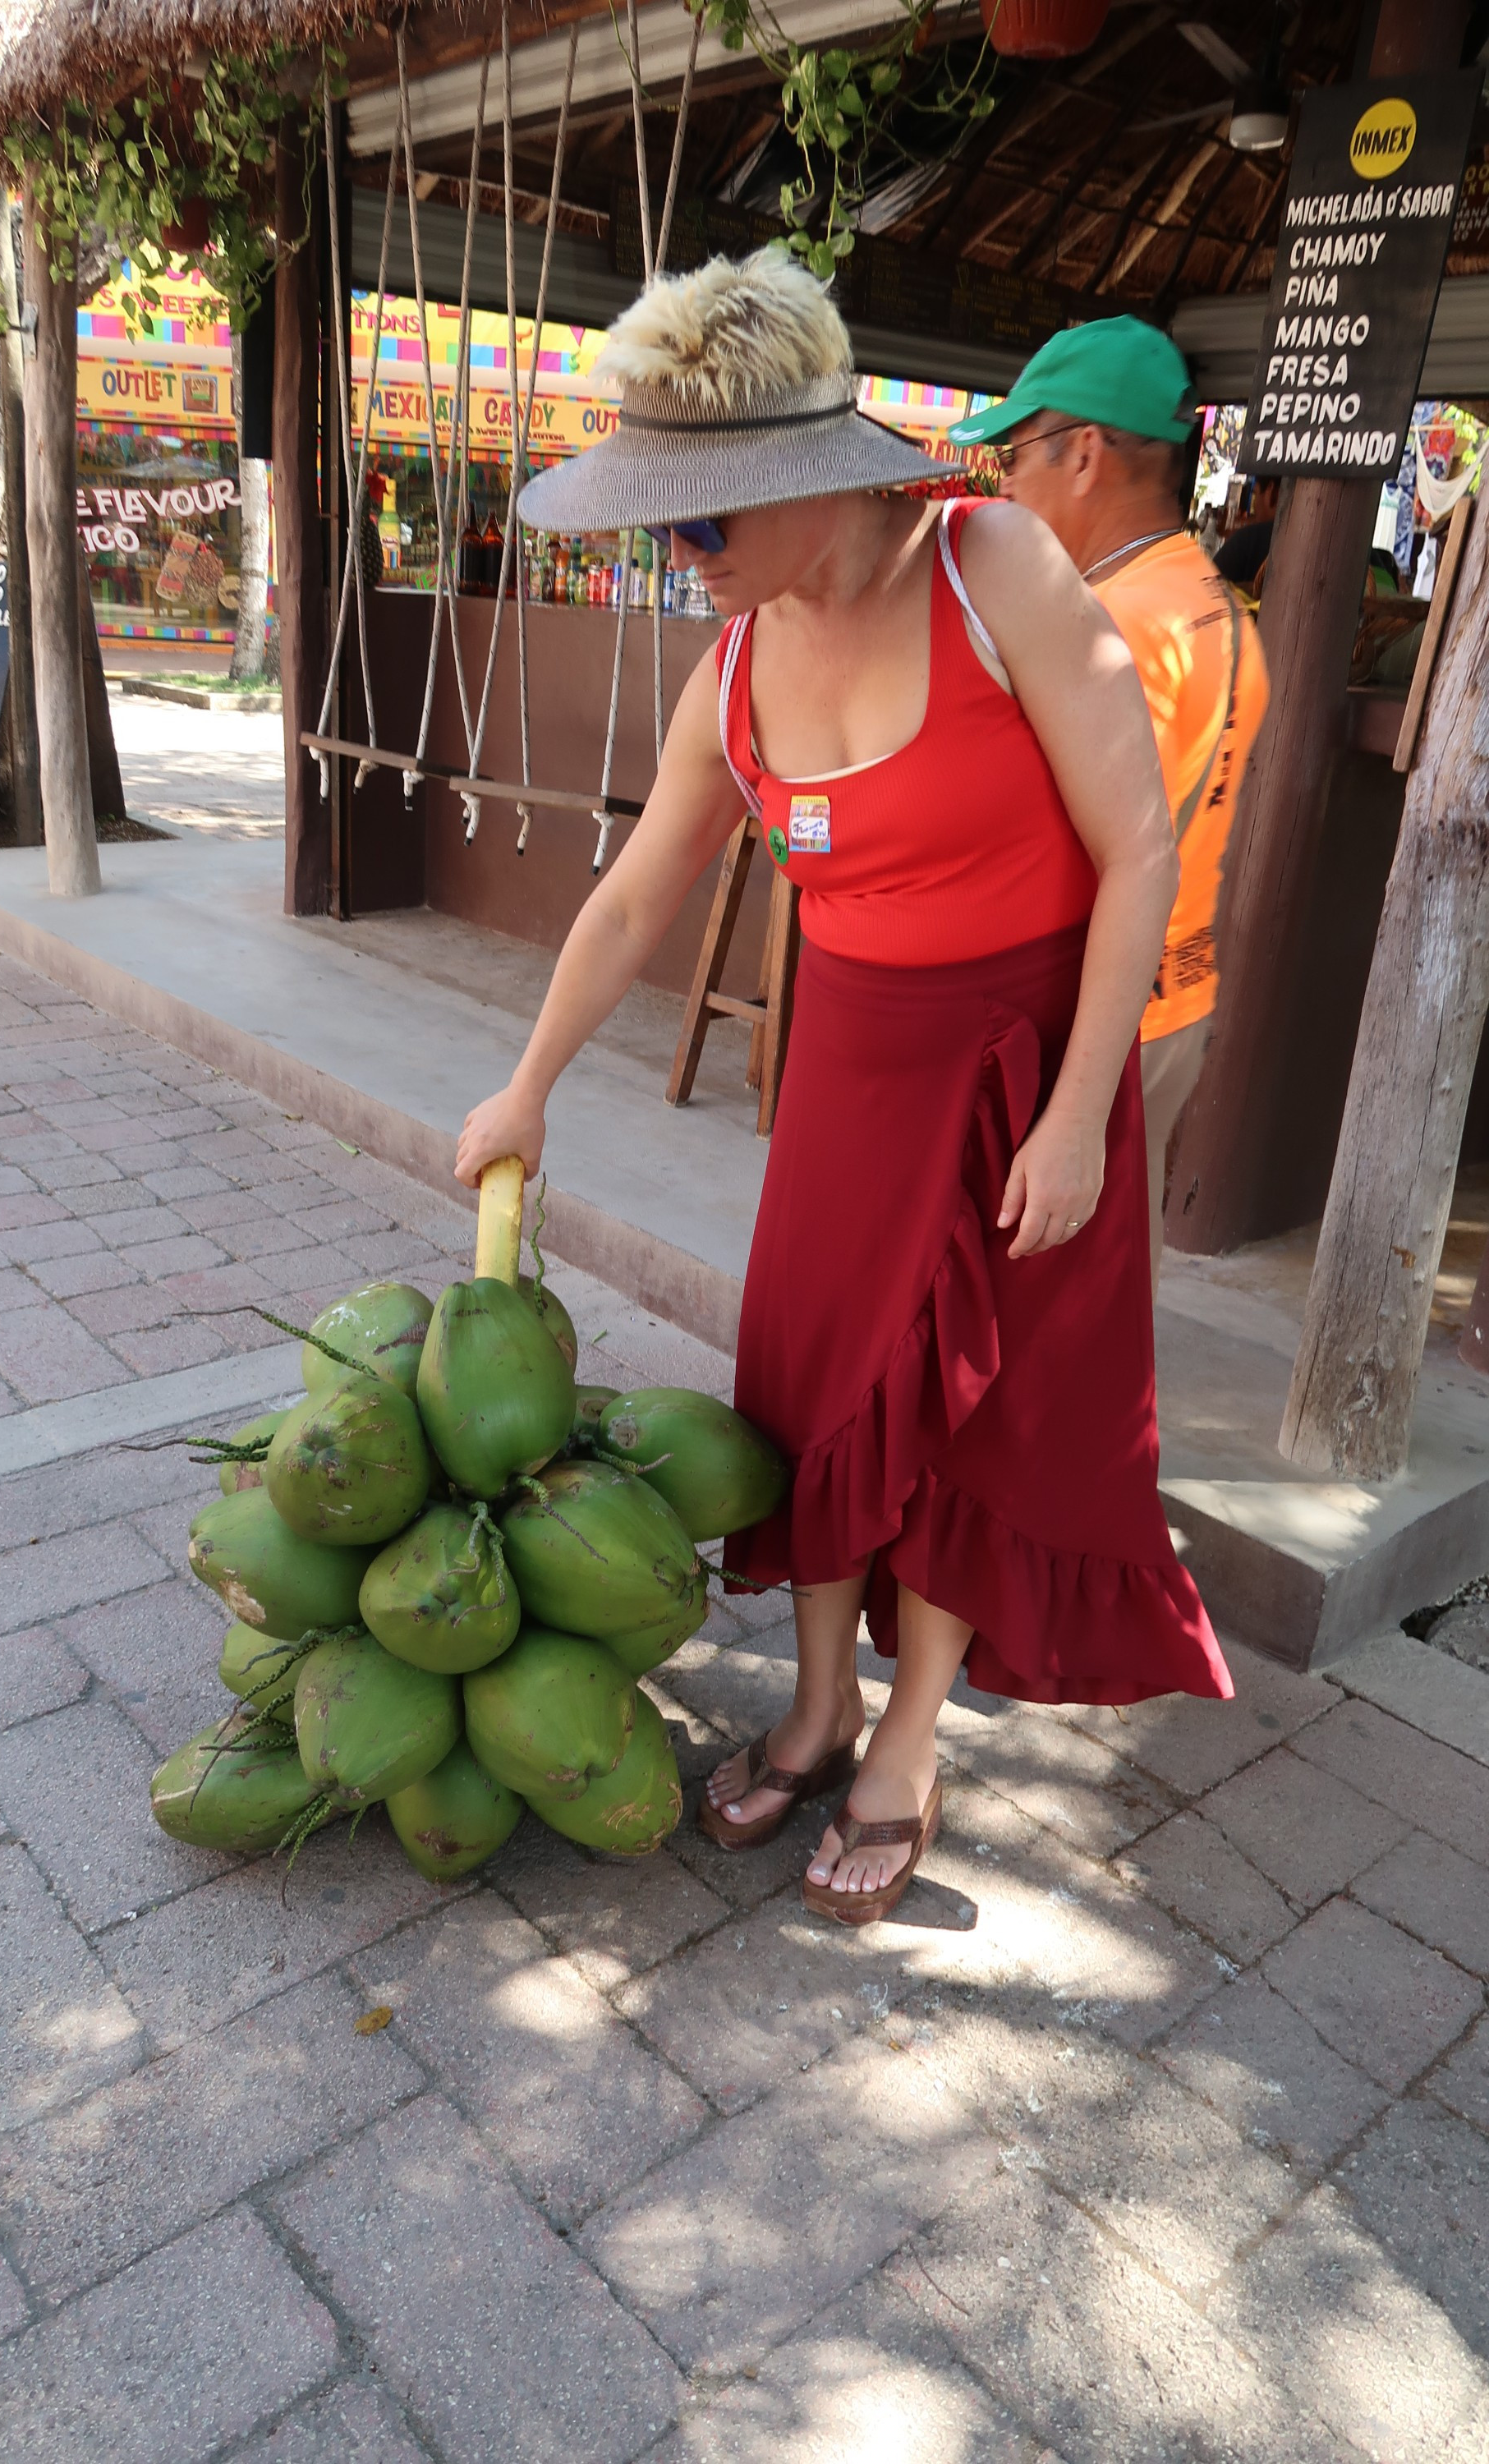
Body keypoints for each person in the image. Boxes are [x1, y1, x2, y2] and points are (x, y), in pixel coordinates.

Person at [454, 253, 1230, 1927]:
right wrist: (526, 1087)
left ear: (799, 479)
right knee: (814, 1391)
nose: (682, 560)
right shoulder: (732, 661)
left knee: (974, 1409)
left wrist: (1083, 1107)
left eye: (701, 526)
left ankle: (908, 1744)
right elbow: (639, 888)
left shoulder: (992, 564)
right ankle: (812, 1707)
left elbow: (1137, 848)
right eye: (660, 528)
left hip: (1027, 1062)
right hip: (850, 1071)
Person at [951, 320, 1270, 1289]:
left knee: (1035, 1296)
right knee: (1094, 1277)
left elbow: (1036, 843)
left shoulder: (1104, 627)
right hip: (1175, 995)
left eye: (1012, 456)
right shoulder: (1210, 602)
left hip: (1094, 1018)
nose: (1002, 485)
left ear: (1081, 453)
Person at [1213, 475, 1279, 592]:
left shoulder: (1248, 541)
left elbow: (1201, 592)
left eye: (1255, 494)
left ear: (1271, 491)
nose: (1254, 505)